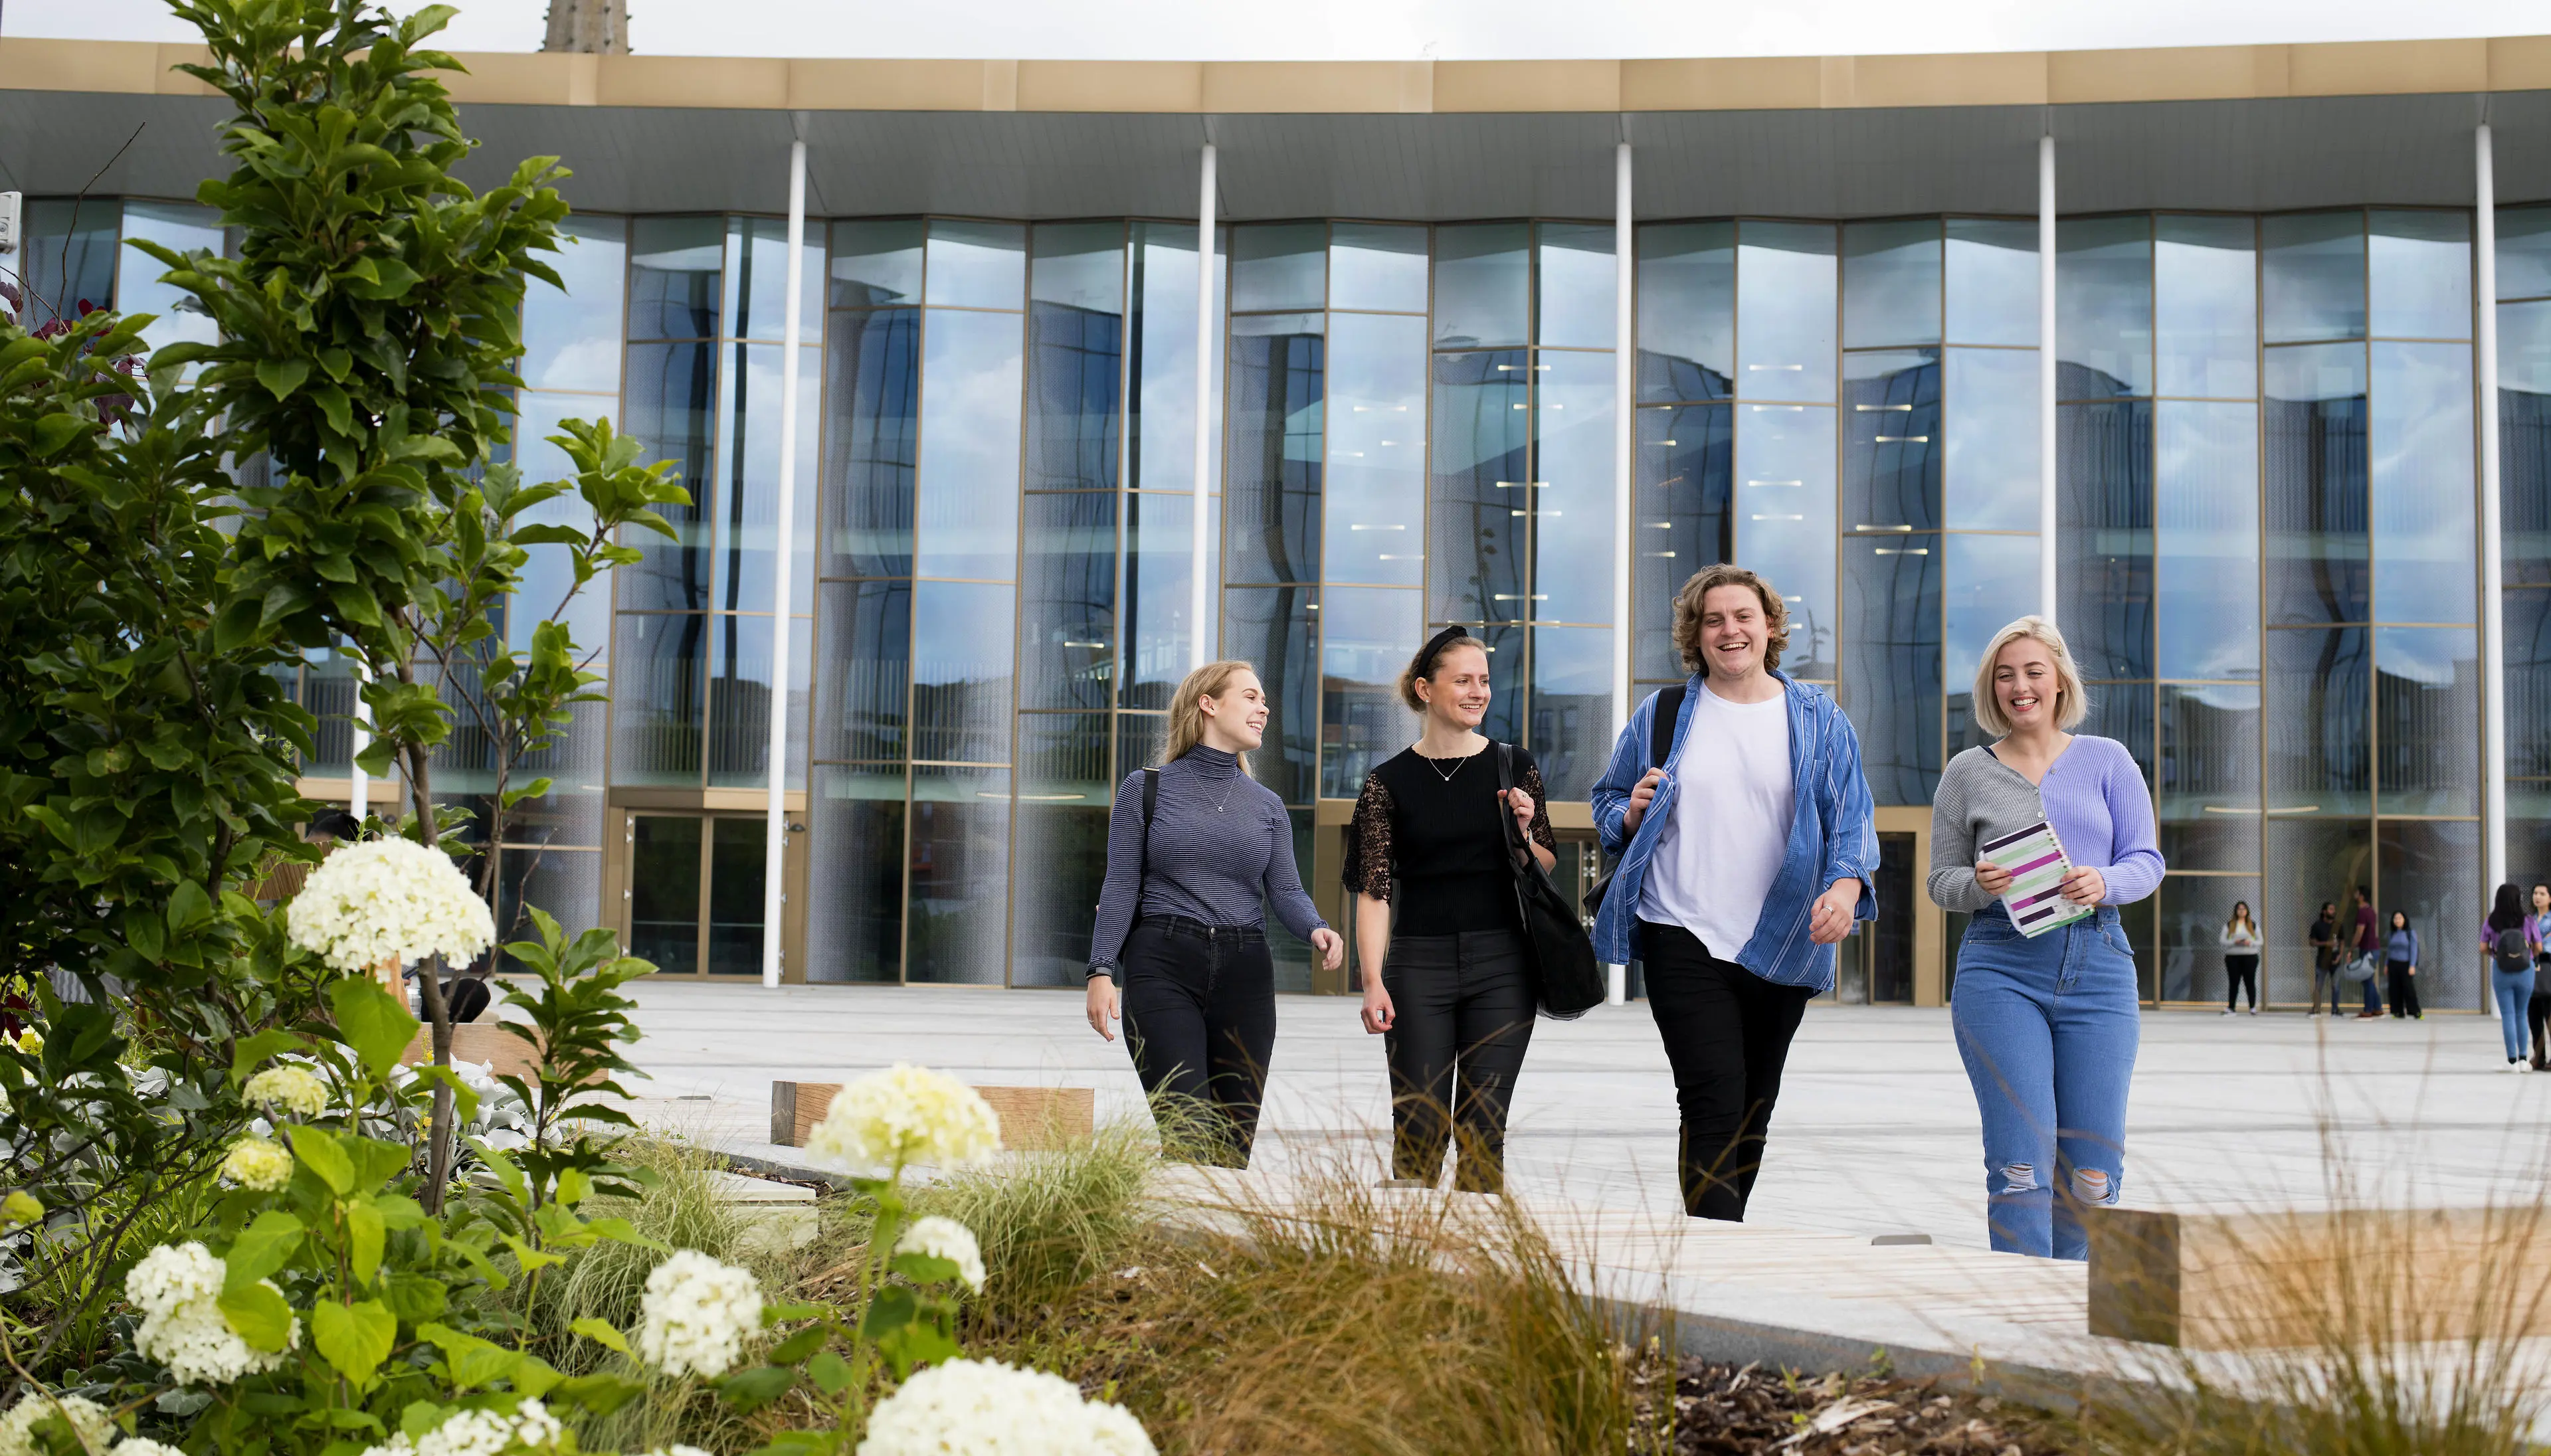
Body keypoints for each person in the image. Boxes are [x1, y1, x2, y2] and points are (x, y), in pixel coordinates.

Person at [1588, 565, 1877, 1223]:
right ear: (1698, 633)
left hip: (1782, 939)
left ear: (1770, 625)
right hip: (1680, 930)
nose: (1730, 630)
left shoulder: (1818, 719)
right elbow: (1608, 799)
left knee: (1753, 1106)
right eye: (1713, 619)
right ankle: (1711, 1251)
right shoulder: (1663, 713)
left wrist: (1844, 885)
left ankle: (1717, 1236)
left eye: (1743, 616)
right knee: (1712, 1098)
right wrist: (1628, 814)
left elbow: (1852, 818)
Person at [1927, 616, 2164, 1261]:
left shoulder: (2108, 759)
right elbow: (1939, 881)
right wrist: (1979, 882)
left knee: (2092, 1170)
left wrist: (2105, 880)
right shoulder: (1967, 772)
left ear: (2060, 680)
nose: (2019, 685)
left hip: (2100, 964)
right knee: (2020, 1165)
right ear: (1991, 688)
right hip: (2001, 967)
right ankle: (2020, 1327)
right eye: (2005, 675)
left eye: (2033, 670)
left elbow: (2146, 860)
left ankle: (2077, 1327)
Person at [1086, 660, 1345, 1164]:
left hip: (1245, 972)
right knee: (1187, 1132)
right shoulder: (1146, 788)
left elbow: (1286, 892)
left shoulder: (1268, 806)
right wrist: (1100, 970)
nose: (1263, 708)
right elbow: (1120, 884)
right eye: (1250, 697)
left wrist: (1317, 928)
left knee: (1231, 1149)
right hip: (1163, 963)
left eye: (1264, 699)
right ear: (1209, 704)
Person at [1345, 628, 1557, 1194]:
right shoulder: (1385, 783)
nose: (1477, 691)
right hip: (1418, 966)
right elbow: (1372, 891)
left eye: (1484, 680)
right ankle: (1407, 1267)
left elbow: (1544, 861)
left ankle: (1478, 1270)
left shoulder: (1515, 766)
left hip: (1504, 964)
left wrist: (1519, 831)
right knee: (1417, 1123)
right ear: (1426, 689)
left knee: (1485, 1125)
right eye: (1462, 680)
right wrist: (1371, 981)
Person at [2483, 882, 2535, 1073]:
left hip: (2502, 971)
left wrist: (2495, 953)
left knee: (2508, 1015)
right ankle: (2523, 1059)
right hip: (2525, 970)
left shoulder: (2491, 921)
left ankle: (2512, 1061)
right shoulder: (2528, 920)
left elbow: (2482, 947)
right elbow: (2537, 946)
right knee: (2522, 1013)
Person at [2344, 884, 2383, 1020]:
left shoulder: (2362, 912)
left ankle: (2368, 1010)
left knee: (2366, 980)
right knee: (2368, 979)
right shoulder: (2371, 911)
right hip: (2374, 949)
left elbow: (2359, 932)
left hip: (2368, 950)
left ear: (2361, 896)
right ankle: (2377, 1008)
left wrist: (2350, 949)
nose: (2355, 894)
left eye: (2357, 892)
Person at [2219, 902, 2261, 1016]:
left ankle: (2252, 1007)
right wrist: (2234, 942)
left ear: (2247, 911)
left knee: (2250, 982)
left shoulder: (2252, 925)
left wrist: (2250, 943)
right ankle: (2231, 1007)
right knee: (2234, 982)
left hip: (2250, 956)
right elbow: (2222, 940)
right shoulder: (2230, 925)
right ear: (2236, 911)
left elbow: (2260, 941)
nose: (2241, 911)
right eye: (2239, 909)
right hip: (2233, 957)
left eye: (2244, 909)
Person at [2382, 910, 2421, 1020]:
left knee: (2408, 988)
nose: (2397, 920)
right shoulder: (2391, 934)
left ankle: (2415, 1011)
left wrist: (2412, 965)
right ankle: (2397, 1011)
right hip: (2393, 963)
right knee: (2394, 989)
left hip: (2406, 964)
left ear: (2404, 920)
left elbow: (2413, 950)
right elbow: (2389, 950)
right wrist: (2386, 964)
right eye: (2395, 918)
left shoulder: (2410, 933)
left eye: (2400, 918)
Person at [2529, 885, 2551, 1073]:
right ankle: (2539, 1056)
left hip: (2547, 966)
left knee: (2549, 1013)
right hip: (2530, 968)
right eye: (2535, 893)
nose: (2538, 897)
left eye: (2542, 894)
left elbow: (2545, 947)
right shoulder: (2529, 919)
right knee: (2533, 1014)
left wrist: (2534, 943)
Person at [2307, 903, 2340, 1017]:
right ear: (2324, 912)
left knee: (2336, 985)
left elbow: (2343, 941)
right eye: (2331, 909)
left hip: (2335, 960)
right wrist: (2327, 944)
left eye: (2334, 909)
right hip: (2322, 960)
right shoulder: (2317, 925)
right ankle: (2316, 1009)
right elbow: (2312, 942)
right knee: (2319, 986)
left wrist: (2340, 955)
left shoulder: (2338, 925)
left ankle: (2335, 1009)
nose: (2333, 911)